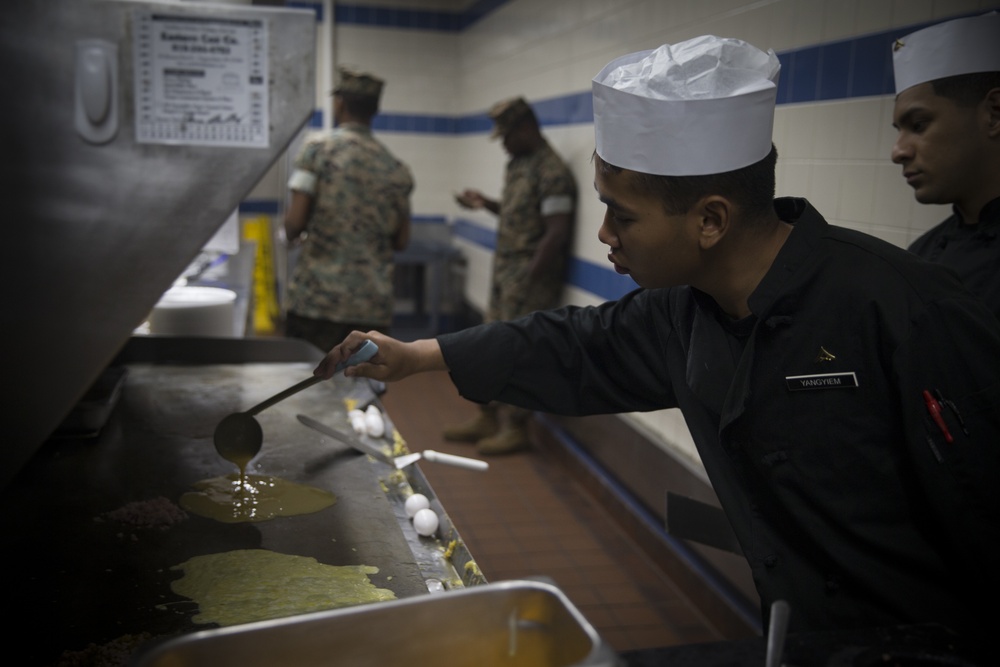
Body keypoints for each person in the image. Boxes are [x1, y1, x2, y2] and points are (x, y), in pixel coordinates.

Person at [316, 36, 1000, 651]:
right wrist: (418, 356)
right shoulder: (683, 313)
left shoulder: (901, 307)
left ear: (710, 220)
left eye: (623, 214)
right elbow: (571, 344)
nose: (606, 233)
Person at [444, 96, 577, 455]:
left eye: (506, 135)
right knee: (489, 344)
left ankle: (517, 427)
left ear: (526, 128)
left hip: (530, 282)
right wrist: (484, 202)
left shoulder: (553, 173)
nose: (502, 143)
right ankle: (487, 416)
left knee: (522, 352)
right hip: (506, 275)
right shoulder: (520, 164)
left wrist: (529, 280)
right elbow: (518, 215)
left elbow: (556, 233)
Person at [283, 67, 414, 352]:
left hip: (316, 300)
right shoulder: (396, 168)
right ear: (375, 110)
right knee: (362, 388)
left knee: (309, 384)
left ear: (339, 103)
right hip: (370, 306)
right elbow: (402, 241)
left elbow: (294, 223)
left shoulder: (317, 150)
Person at [891, 12, 1000, 318]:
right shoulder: (922, 255)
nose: (898, 151)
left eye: (919, 124)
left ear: (994, 113)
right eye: (898, 131)